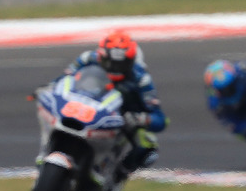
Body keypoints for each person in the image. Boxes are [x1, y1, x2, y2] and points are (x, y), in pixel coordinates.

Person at [62, 30, 168, 176]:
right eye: (109, 63)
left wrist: (139, 119)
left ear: (131, 62)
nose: (114, 68)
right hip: (86, 107)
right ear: (101, 56)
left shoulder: (141, 78)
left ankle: (118, 176)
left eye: (121, 64)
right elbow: (64, 80)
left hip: (120, 120)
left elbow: (160, 119)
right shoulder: (87, 59)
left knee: (148, 145)